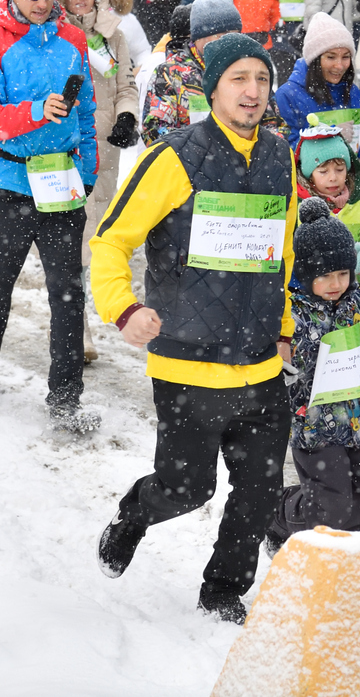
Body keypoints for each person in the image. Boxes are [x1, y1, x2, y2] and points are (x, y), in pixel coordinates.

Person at [92, 33, 298, 624]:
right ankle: (134, 513)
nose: (253, 91)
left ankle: (223, 591)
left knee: (258, 493)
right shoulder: (175, 156)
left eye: (261, 79)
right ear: (213, 89)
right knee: (188, 490)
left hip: (259, 361)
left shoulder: (278, 156)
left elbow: (278, 252)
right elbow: (112, 239)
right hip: (186, 362)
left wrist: (282, 329)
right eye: (239, 79)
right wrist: (124, 309)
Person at [0, 0, 99, 431]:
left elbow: (85, 110)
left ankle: (66, 398)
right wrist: (37, 111)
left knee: (68, 293)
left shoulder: (73, 38)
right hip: (6, 183)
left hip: (61, 180)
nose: (42, 2)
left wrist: (90, 170)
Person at [264, 198, 360, 547]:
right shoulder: (291, 313)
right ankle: (278, 513)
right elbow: (269, 355)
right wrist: (276, 371)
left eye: (343, 273)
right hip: (313, 426)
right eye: (325, 276)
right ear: (305, 274)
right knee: (330, 507)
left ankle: (346, 559)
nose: (336, 283)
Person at [53, 0, 140, 364]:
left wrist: (127, 116)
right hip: (62, 146)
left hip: (104, 149)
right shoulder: (51, 32)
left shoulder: (114, 36)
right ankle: (73, 325)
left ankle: (81, 313)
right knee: (66, 236)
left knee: (94, 234)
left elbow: (127, 86)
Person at [291, 125, 360, 294]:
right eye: (323, 171)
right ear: (308, 174)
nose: (333, 177)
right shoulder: (296, 210)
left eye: (340, 169)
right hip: (312, 309)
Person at [272, 11, 360, 177]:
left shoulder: (352, 92)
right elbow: (284, 149)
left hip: (349, 190)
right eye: (331, 57)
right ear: (314, 59)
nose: (339, 65)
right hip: (306, 194)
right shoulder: (287, 95)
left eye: (346, 57)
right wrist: (329, 138)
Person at [142, 0, 240, 144]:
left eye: (234, 35)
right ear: (199, 36)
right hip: (188, 164)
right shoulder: (170, 73)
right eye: (220, 35)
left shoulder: (247, 68)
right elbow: (154, 129)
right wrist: (198, 154)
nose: (228, 42)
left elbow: (273, 123)